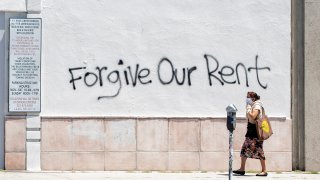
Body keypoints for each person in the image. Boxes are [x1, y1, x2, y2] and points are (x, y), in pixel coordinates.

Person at [233, 91, 268, 176]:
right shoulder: (254, 105)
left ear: (253, 98)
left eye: (248, 97)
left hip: (256, 132)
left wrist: (248, 108)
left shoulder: (257, 105)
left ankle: (264, 170)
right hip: (251, 131)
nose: (246, 98)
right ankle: (242, 169)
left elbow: (253, 116)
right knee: (245, 149)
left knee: (259, 150)